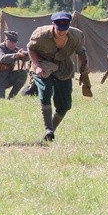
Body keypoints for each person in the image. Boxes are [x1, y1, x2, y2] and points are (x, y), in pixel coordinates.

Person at [27, 11, 88, 142]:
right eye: (59, 29)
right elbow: (31, 49)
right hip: (43, 64)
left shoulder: (76, 35)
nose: (61, 32)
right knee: (46, 90)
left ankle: (50, 132)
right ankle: (48, 129)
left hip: (64, 67)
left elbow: (81, 51)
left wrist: (84, 68)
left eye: (64, 29)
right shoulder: (41, 34)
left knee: (65, 105)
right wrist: (37, 65)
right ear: (53, 25)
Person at [0, 30, 30, 99]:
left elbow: (26, 59)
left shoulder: (15, 50)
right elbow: (1, 58)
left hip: (7, 77)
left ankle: (11, 97)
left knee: (22, 73)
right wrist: (15, 55)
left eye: (15, 42)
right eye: (11, 41)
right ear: (6, 40)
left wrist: (25, 55)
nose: (13, 44)